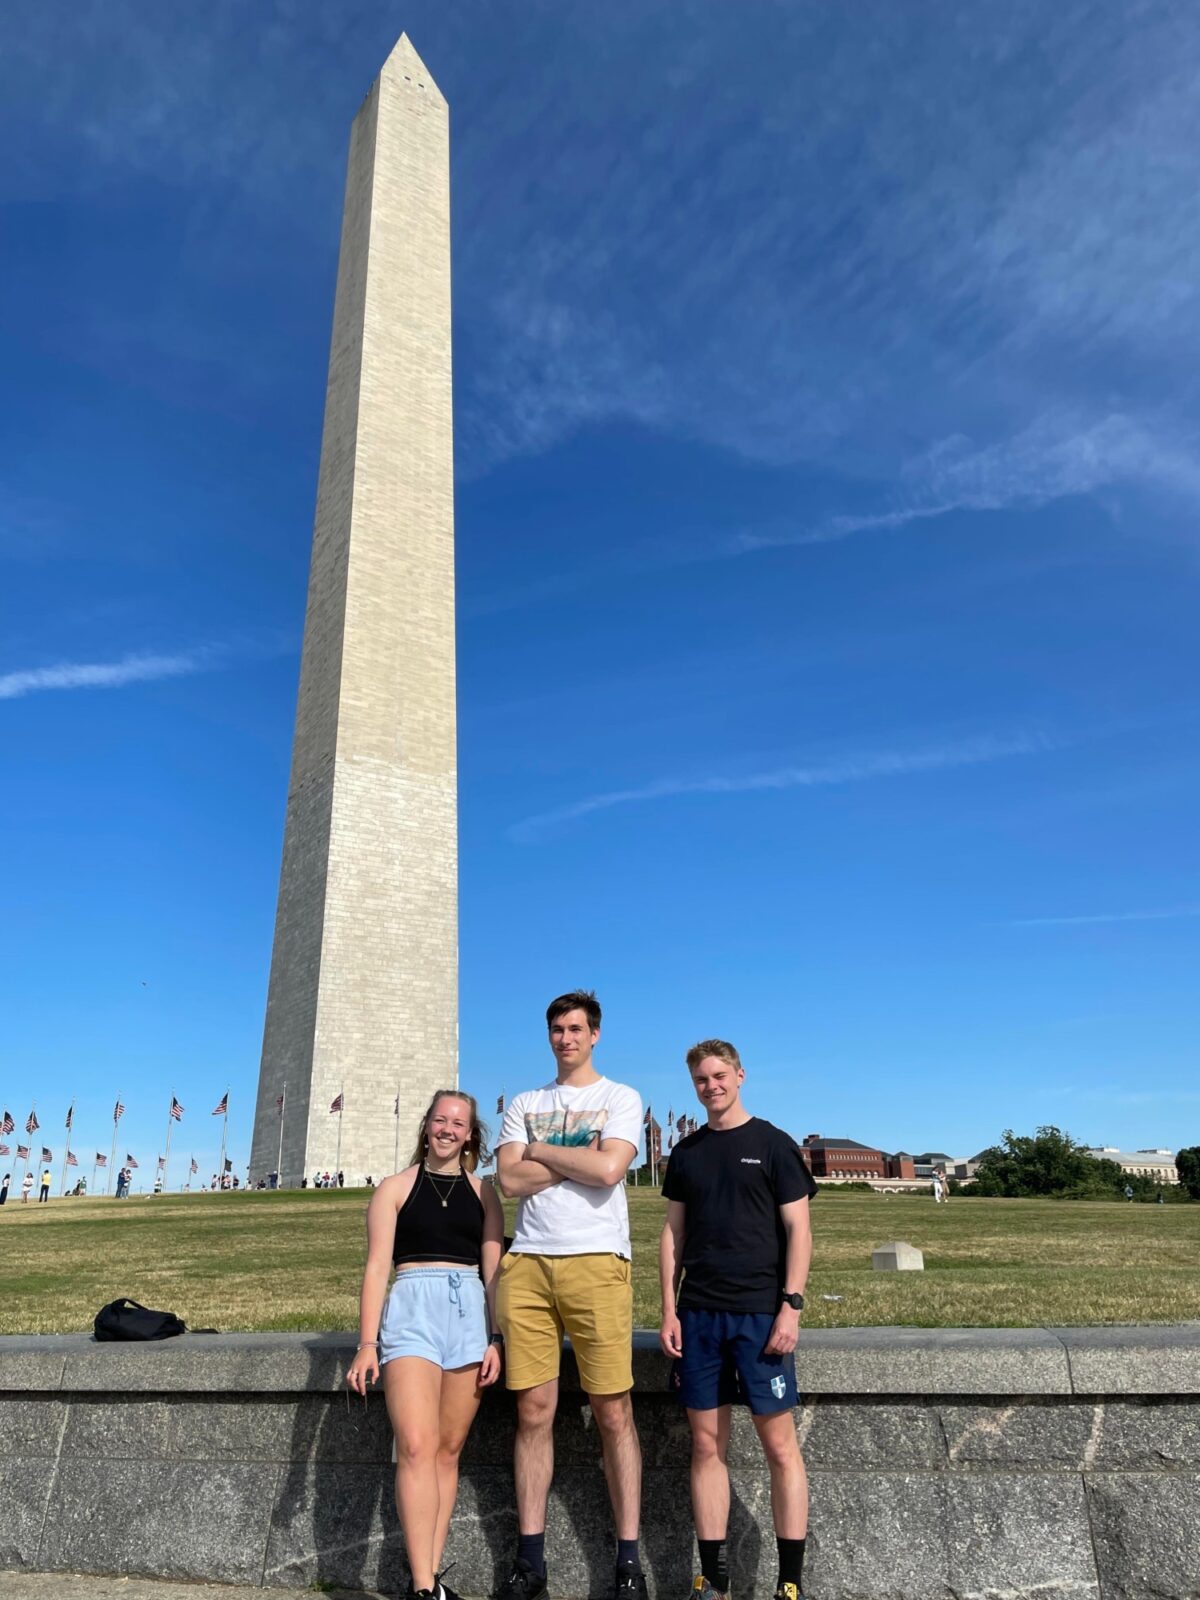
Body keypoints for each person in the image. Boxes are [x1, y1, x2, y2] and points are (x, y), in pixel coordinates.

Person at [494, 990, 645, 1600]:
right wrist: (581, 1154)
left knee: (613, 1412)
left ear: (595, 1034)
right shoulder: (526, 1101)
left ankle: (628, 1562)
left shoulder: (621, 1097)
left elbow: (612, 1172)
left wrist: (541, 1150)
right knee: (533, 1413)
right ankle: (532, 1565)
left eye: (576, 1028)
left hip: (596, 1263)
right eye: (557, 1029)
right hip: (528, 1265)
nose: (565, 1038)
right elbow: (508, 1180)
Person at [660, 1039, 816, 1600]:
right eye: (701, 1079)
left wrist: (791, 1306)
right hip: (700, 1316)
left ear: (741, 1075)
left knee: (779, 1447)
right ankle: (713, 1580)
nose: (711, 1086)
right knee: (706, 1447)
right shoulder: (687, 1153)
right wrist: (668, 1309)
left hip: (759, 1317)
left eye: (719, 1075)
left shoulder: (773, 1144)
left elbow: (799, 1231)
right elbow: (673, 1234)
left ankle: (790, 1583)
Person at [346, 1090, 504, 1600]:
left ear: (470, 1134)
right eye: (440, 1119)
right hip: (412, 1309)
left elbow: (494, 1269)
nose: (448, 1129)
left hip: (468, 1315)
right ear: (426, 1126)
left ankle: (431, 1579)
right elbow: (375, 1267)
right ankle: (420, 1587)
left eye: (459, 1123)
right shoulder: (393, 1188)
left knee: (446, 1451)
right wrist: (367, 1343)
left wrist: (497, 1336)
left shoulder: (485, 1193)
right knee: (414, 1446)